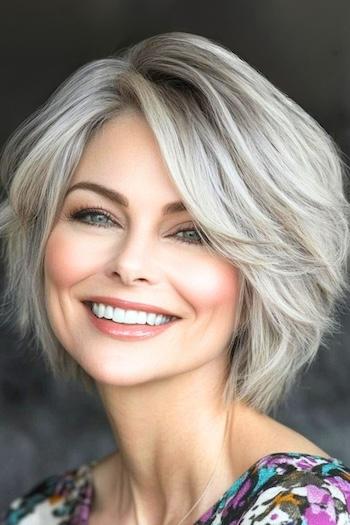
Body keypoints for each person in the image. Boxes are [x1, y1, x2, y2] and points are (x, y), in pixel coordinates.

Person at [0, 31, 349, 525]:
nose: (131, 263)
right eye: (97, 216)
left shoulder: (311, 512)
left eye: (191, 233)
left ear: (266, 276)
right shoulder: (41, 513)